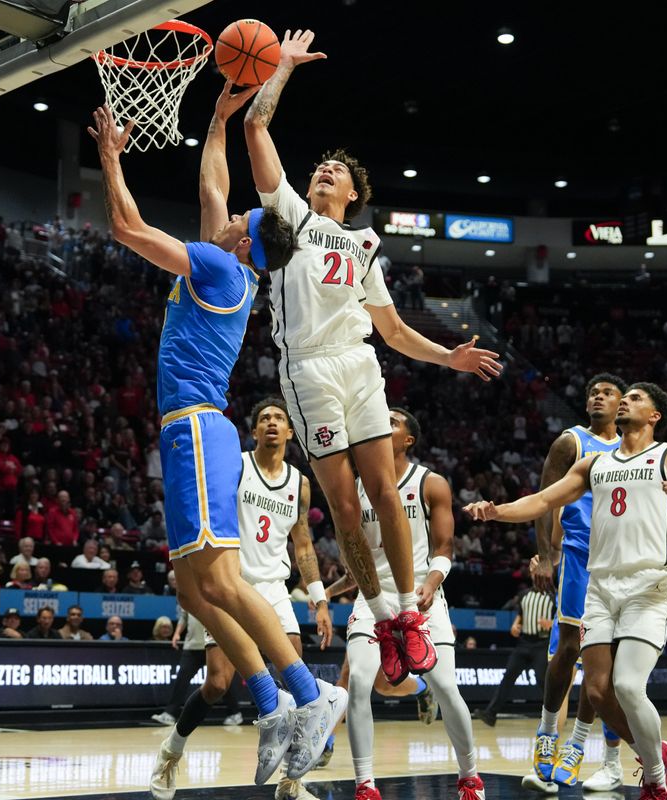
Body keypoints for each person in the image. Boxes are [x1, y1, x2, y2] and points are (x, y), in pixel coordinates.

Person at [91, 81, 338, 785]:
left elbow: (130, 231)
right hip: (187, 430)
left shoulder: (218, 264)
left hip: (198, 430)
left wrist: (112, 159)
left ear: (247, 237)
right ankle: (269, 707)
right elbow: (211, 183)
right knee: (196, 590)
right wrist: (219, 119)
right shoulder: (232, 266)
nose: (230, 213)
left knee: (224, 584)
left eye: (241, 215)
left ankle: (311, 697)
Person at [243, 29, 502, 692]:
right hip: (309, 369)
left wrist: (450, 356)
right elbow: (255, 125)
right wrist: (283, 70)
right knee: (345, 507)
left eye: (337, 172)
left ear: (354, 194)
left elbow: (390, 330)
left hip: (359, 364)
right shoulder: (293, 217)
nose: (323, 173)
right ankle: (384, 614)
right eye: (319, 169)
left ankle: (408, 614)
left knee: (386, 493)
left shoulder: (362, 247)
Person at [466, 382, 667, 800]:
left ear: (654, 416)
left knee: (628, 687)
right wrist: (496, 511)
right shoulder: (594, 463)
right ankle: (656, 756)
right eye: (621, 396)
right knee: (596, 690)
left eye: (634, 397)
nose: (625, 400)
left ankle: (655, 784)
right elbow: (542, 500)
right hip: (601, 587)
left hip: (649, 586)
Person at [152, 398, 332, 800]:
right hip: (229, 582)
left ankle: (292, 782)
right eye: (263, 418)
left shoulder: (300, 483)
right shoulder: (234, 465)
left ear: (289, 432)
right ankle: (171, 750)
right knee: (217, 682)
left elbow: (302, 543)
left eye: (278, 418)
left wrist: (318, 599)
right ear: (253, 432)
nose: (271, 422)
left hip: (273, 587)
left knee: (294, 674)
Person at [324, 408, 484, 800]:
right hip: (373, 595)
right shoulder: (355, 488)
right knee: (360, 682)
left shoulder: (431, 483)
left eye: (393, 422)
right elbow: (357, 559)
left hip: (420, 594)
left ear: (408, 439)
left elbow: (444, 547)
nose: (382, 422)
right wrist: (325, 595)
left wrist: (431, 583)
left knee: (446, 686)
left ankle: (470, 778)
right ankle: (365, 785)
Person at [519, 374, 627, 793]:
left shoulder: (637, 452)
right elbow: (544, 501)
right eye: (592, 392)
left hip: (622, 562)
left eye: (607, 392)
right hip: (581, 557)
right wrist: (546, 554)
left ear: (623, 405)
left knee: (606, 667)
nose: (597, 397)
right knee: (568, 648)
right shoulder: (571, 442)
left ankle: (581, 747)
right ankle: (548, 735)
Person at [477, 583, 554, 729]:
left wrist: (551, 623)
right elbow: (521, 614)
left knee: (543, 681)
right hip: (524, 642)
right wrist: (514, 625)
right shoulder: (524, 594)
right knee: (508, 678)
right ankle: (490, 714)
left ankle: (554, 716)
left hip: (542, 644)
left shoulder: (553, 596)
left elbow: (560, 618)